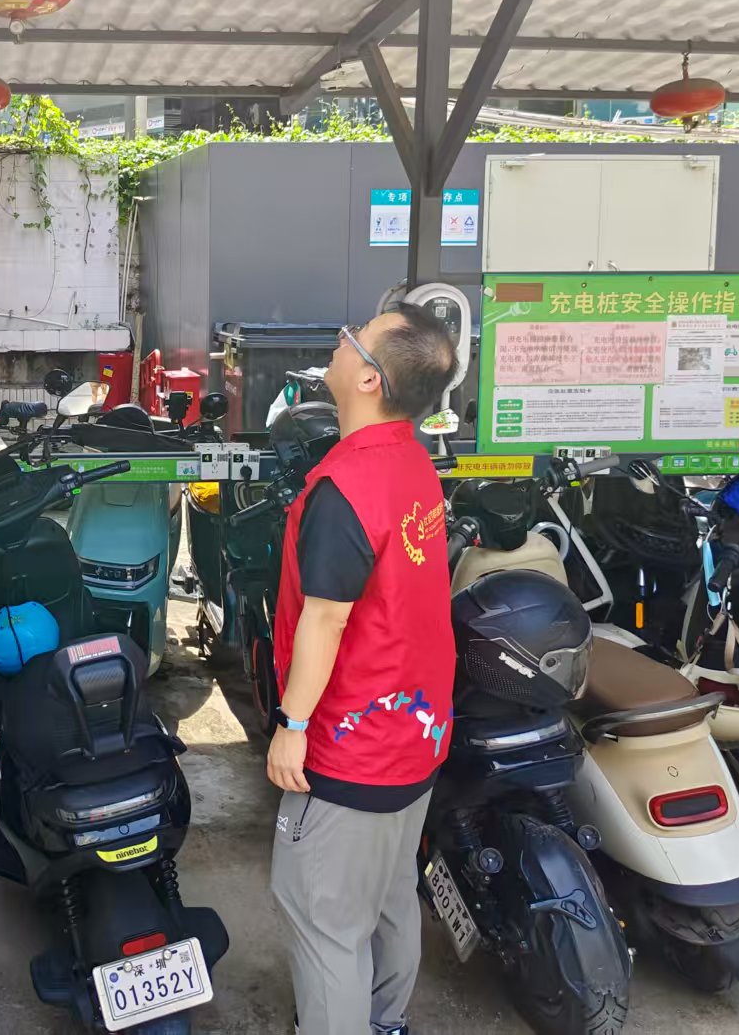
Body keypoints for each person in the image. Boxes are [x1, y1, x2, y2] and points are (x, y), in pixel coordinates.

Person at [266, 305, 460, 1035]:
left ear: (370, 378)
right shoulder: (414, 460)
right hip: (417, 733)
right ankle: (386, 1021)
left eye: (353, 338)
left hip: (353, 745)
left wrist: (292, 725)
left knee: (325, 921)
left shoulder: (344, 486)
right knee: (387, 898)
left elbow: (326, 618)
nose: (340, 341)